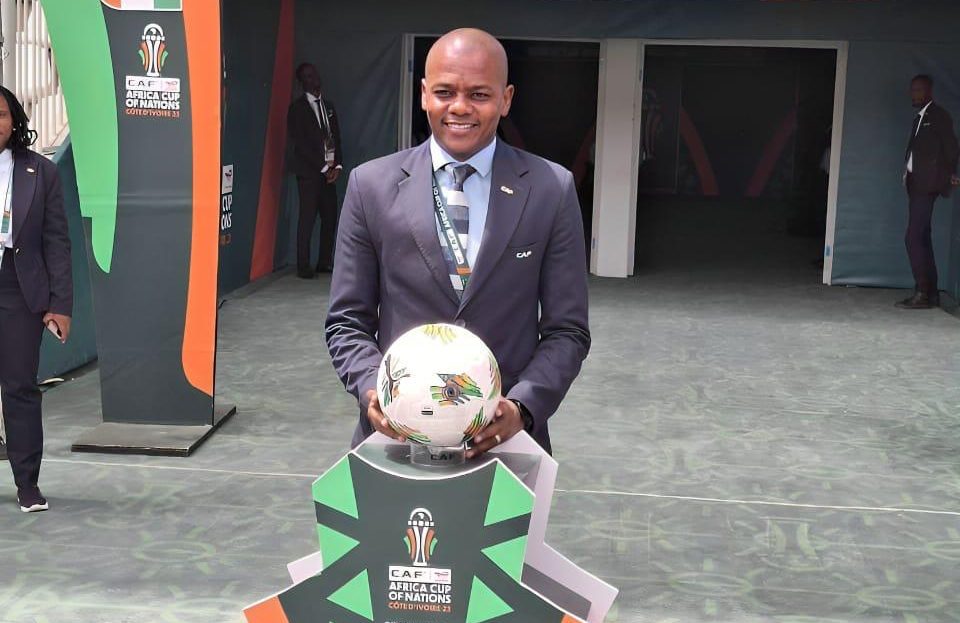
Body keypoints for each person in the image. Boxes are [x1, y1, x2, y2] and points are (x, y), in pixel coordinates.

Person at [325, 28, 590, 457]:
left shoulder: (550, 189)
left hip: (507, 444)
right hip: (395, 439)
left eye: (479, 94)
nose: (460, 107)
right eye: (445, 92)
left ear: (506, 99)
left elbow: (567, 330)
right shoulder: (370, 186)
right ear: (423, 94)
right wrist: (374, 390)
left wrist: (522, 408)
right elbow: (347, 321)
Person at [0, 86, 72, 512]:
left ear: (14, 121)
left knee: (20, 386)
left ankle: (27, 483)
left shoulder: (40, 172)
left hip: (18, 288)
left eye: (1, 114)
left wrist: (59, 305)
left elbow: (56, 241)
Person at [897, 74, 959, 309]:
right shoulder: (919, 118)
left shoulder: (939, 115)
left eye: (919, 90)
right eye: (913, 90)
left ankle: (923, 292)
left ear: (929, 91)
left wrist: (951, 173)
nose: (914, 94)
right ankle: (930, 294)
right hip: (916, 185)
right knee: (922, 236)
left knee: (913, 237)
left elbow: (952, 148)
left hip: (927, 185)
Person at [287, 63, 343, 278]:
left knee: (330, 217)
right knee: (308, 218)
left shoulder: (328, 107)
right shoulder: (297, 109)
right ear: (302, 82)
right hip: (309, 172)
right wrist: (323, 167)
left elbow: (336, 137)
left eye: (315, 74)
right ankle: (303, 265)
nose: (314, 79)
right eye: (308, 76)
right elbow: (301, 144)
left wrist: (337, 165)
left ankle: (324, 262)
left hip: (329, 172)